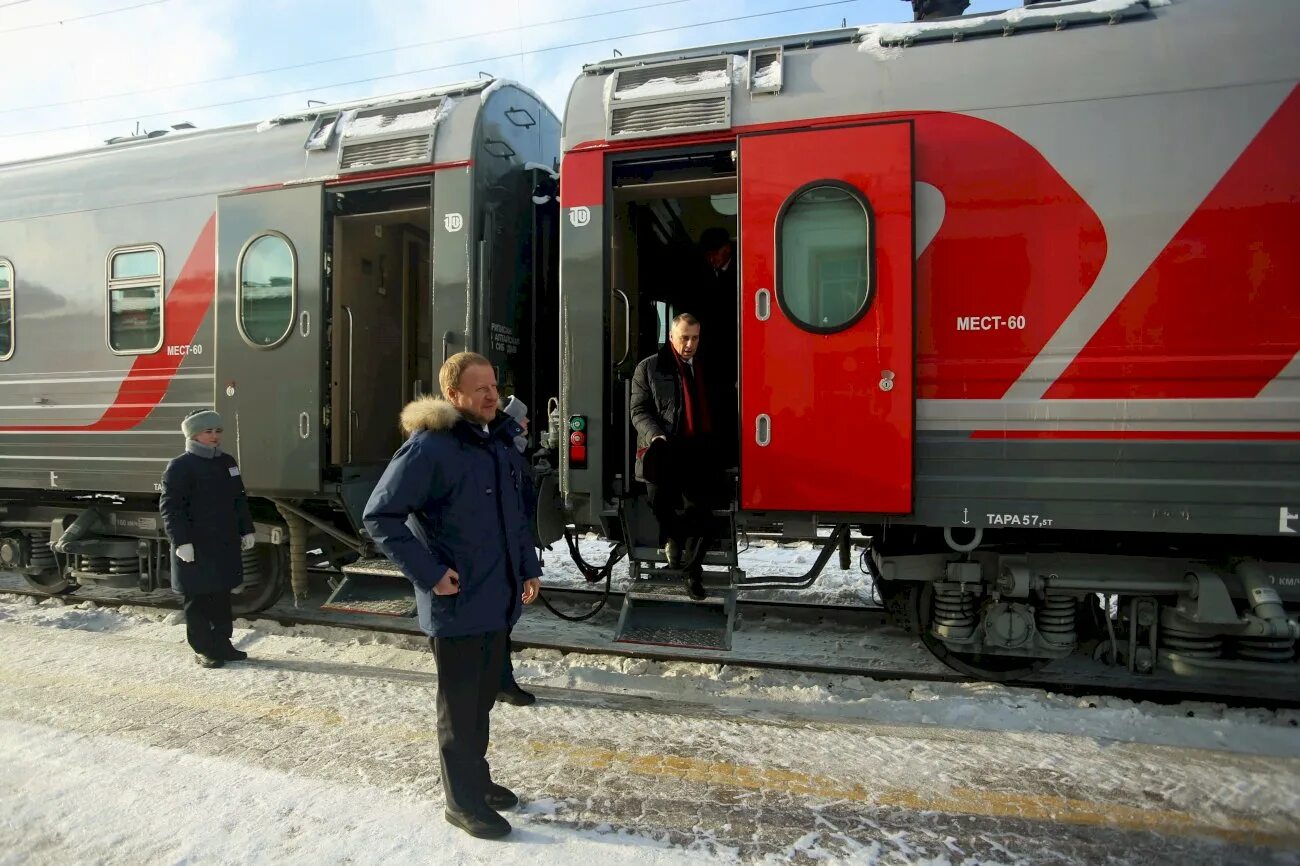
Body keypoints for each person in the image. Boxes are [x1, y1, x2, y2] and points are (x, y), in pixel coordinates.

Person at [363, 352, 542, 840]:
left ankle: (476, 782)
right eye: (479, 388)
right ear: (453, 395)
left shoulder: (496, 442)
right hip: (458, 602)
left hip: (496, 596)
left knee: (481, 700)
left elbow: (515, 517)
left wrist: (527, 568)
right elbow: (380, 516)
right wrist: (430, 573)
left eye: (494, 386)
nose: (491, 395)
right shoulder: (430, 448)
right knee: (460, 709)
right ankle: (461, 803)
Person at [630, 313, 727, 601]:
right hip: (665, 447)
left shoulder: (708, 366)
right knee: (660, 502)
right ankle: (674, 538)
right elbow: (638, 411)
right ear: (671, 336)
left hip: (701, 448)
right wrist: (656, 436)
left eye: (695, 338)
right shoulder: (648, 368)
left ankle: (691, 572)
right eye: (684, 337)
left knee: (705, 513)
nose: (689, 344)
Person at [159, 409, 256, 669]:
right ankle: (203, 648)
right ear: (193, 434)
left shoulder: (227, 462)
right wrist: (181, 542)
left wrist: (246, 529)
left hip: (223, 542)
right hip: (196, 545)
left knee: (222, 596)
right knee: (198, 599)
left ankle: (222, 643)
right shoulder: (180, 466)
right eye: (208, 431)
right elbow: (171, 508)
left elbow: (239, 498)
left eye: (218, 431)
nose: (215, 436)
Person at [496, 394, 536, 708]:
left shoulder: (510, 451)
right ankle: (501, 682)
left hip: (507, 548)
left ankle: (499, 680)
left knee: (502, 620)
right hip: (498, 551)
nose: (527, 423)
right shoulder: (506, 453)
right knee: (498, 622)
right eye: (521, 419)